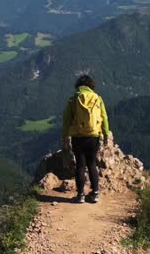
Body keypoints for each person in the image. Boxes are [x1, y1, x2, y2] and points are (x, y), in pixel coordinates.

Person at [61, 74, 112, 203]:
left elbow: (66, 121)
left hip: (78, 137)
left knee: (80, 165)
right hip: (93, 136)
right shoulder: (97, 98)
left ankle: (80, 195)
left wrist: (65, 137)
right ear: (91, 86)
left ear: (78, 86)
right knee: (92, 164)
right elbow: (104, 117)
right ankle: (95, 193)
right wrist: (106, 134)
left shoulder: (73, 99)